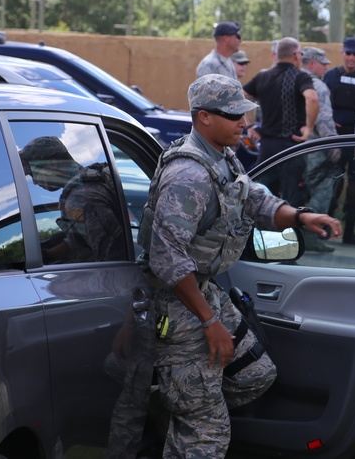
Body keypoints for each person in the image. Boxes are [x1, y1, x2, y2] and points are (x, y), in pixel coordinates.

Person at [139, 74, 340, 457]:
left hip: (202, 292)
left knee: (254, 374)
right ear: (203, 118)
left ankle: (182, 406)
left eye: (244, 114)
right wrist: (208, 322)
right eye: (233, 116)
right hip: (178, 304)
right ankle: (189, 411)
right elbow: (168, 259)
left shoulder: (221, 156)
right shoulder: (188, 177)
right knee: (207, 436)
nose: (243, 123)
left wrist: (299, 217)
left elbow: (253, 198)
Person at [19, 135, 127, 263]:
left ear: (52, 165)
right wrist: (49, 255)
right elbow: (85, 240)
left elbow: (114, 258)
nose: (35, 182)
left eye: (33, 173)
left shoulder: (80, 198)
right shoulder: (95, 177)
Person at [242, 37, 318, 207]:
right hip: (292, 147)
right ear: (296, 55)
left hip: (267, 149)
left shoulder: (263, 76)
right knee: (292, 199)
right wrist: (309, 128)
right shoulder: (301, 76)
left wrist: (250, 125)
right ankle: (290, 232)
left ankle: (260, 232)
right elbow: (312, 98)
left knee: (262, 198)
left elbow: (239, 96)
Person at [323, 37, 355, 243]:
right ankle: (326, 227)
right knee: (332, 184)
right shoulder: (331, 76)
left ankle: (350, 229)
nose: (351, 57)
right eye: (348, 53)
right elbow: (324, 104)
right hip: (336, 139)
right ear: (342, 53)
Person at [300, 46, 344, 250]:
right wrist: (333, 145)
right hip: (316, 146)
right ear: (311, 63)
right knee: (322, 190)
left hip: (291, 147)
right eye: (322, 63)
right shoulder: (317, 85)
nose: (326, 67)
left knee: (296, 193)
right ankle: (311, 235)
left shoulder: (292, 79)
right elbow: (323, 118)